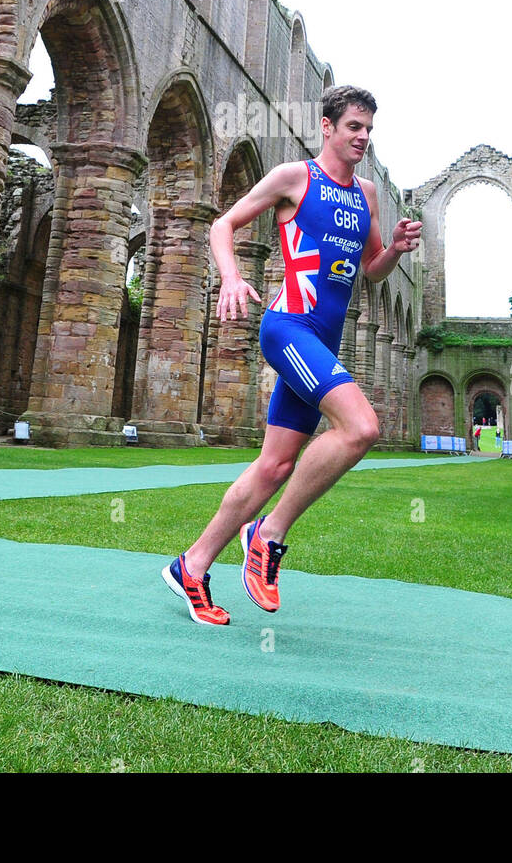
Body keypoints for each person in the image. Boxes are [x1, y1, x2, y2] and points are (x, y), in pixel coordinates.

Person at [162, 85, 423, 624]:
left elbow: (369, 271)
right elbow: (223, 224)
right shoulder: (294, 178)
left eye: (369, 130)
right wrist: (230, 277)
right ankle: (266, 535)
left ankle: (191, 565)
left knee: (275, 463)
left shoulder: (366, 195)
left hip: (323, 340)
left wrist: (394, 247)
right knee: (361, 429)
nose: (363, 137)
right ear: (327, 127)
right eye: (354, 127)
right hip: (288, 329)